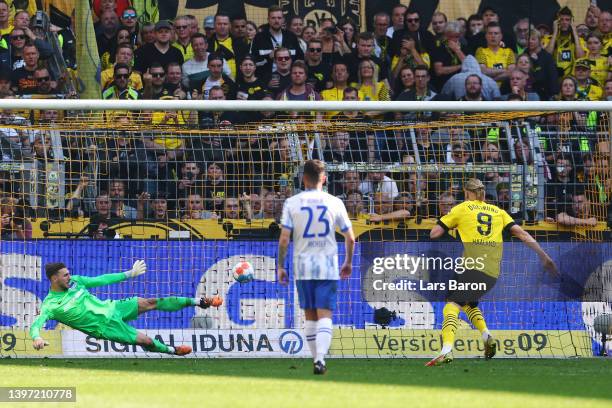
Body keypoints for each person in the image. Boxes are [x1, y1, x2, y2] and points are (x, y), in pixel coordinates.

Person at [426, 178, 558, 366]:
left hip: (471, 266)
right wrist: (544, 256)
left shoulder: (462, 208)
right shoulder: (499, 212)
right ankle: (487, 336)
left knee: (452, 304)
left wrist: (453, 224)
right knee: (469, 303)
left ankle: (446, 350)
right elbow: (522, 234)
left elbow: (434, 233)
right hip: (491, 272)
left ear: (466, 193)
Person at [30, 261, 223, 356]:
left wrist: (128, 273)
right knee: (146, 341)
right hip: (104, 327)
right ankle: (174, 350)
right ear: (54, 278)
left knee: (151, 302)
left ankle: (200, 301)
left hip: (113, 308)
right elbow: (36, 324)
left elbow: (101, 280)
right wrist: (37, 337)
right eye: (64, 275)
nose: (69, 277)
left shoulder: (76, 282)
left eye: (69, 274)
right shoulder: (50, 305)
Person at [277, 159, 355, 375]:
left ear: (303, 179)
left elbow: (284, 239)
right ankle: (320, 359)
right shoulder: (334, 202)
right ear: (324, 178)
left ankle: (315, 359)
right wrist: (347, 262)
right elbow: (350, 238)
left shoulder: (292, 203)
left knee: (310, 317)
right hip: (327, 266)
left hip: (302, 267)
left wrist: (281, 266)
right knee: (325, 315)